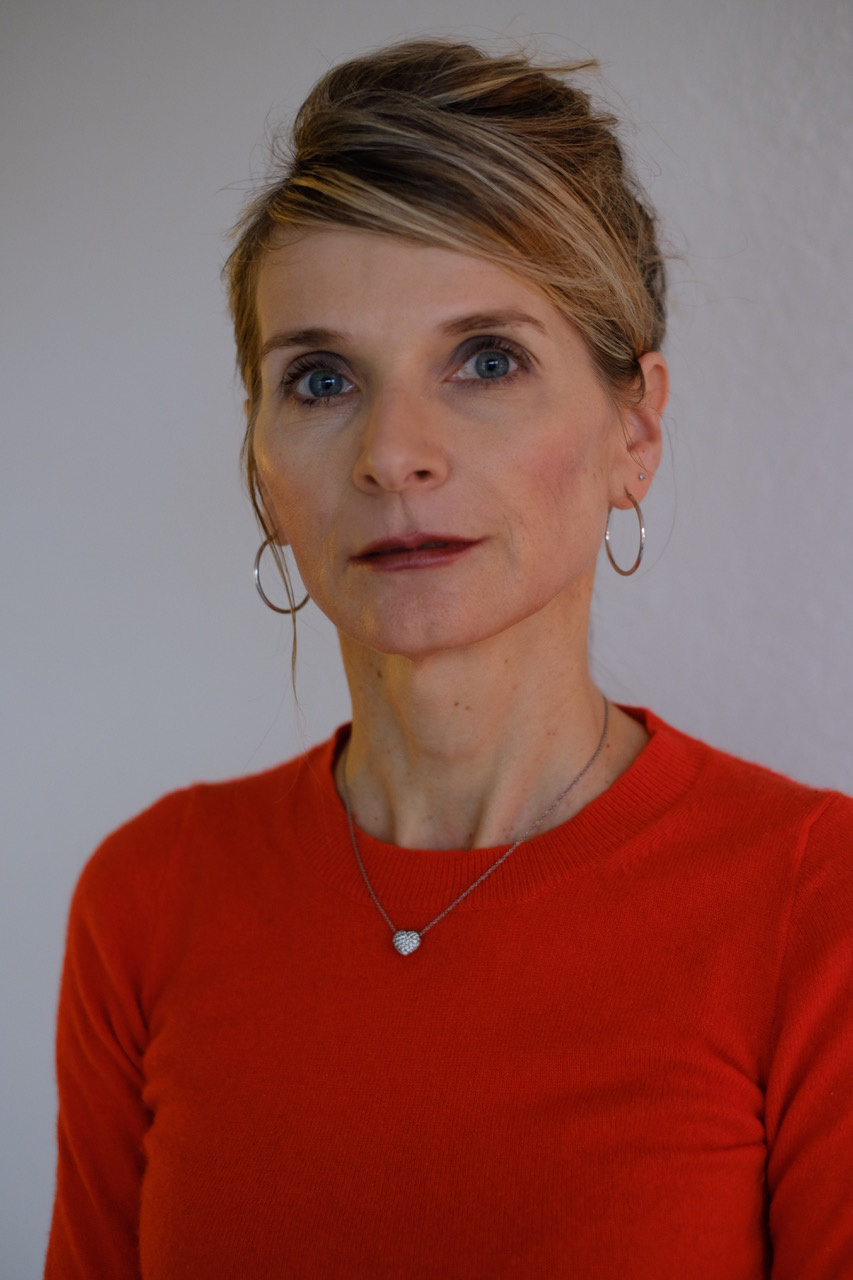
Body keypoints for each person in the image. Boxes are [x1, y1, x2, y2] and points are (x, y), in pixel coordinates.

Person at [45, 38, 853, 1279]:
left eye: (486, 359)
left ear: (634, 428)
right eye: (321, 378)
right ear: (262, 460)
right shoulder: (146, 900)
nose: (392, 453)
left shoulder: (815, 902)